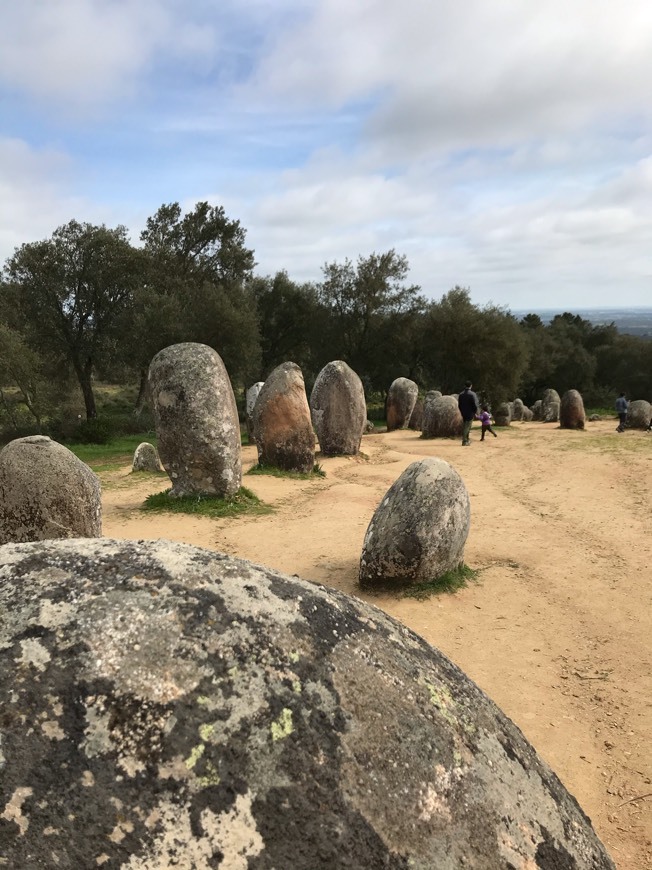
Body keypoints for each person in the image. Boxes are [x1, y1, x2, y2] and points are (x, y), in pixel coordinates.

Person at [458, 381, 479, 446]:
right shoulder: (472, 394)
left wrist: (461, 411)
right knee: (467, 427)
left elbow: (459, 405)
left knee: (466, 426)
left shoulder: (461, 394)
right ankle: (464, 441)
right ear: (471, 386)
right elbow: (474, 404)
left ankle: (467, 439)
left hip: (463, 412)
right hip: (470, 412)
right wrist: (475, 412)